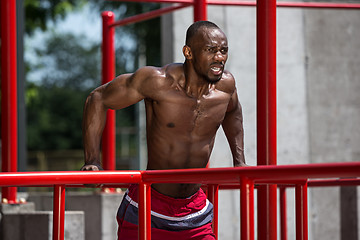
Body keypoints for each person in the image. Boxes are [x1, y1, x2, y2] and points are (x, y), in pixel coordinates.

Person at [81, 20, 246, 239]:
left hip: (194, 211)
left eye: (223, 51)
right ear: (188, 52)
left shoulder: (226, 87)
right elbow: (98, 98)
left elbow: (233, 113)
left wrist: (239, 161)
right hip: (148, 206)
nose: (219, 58)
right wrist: (93, 160)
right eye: (211, 50)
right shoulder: (157, 82)